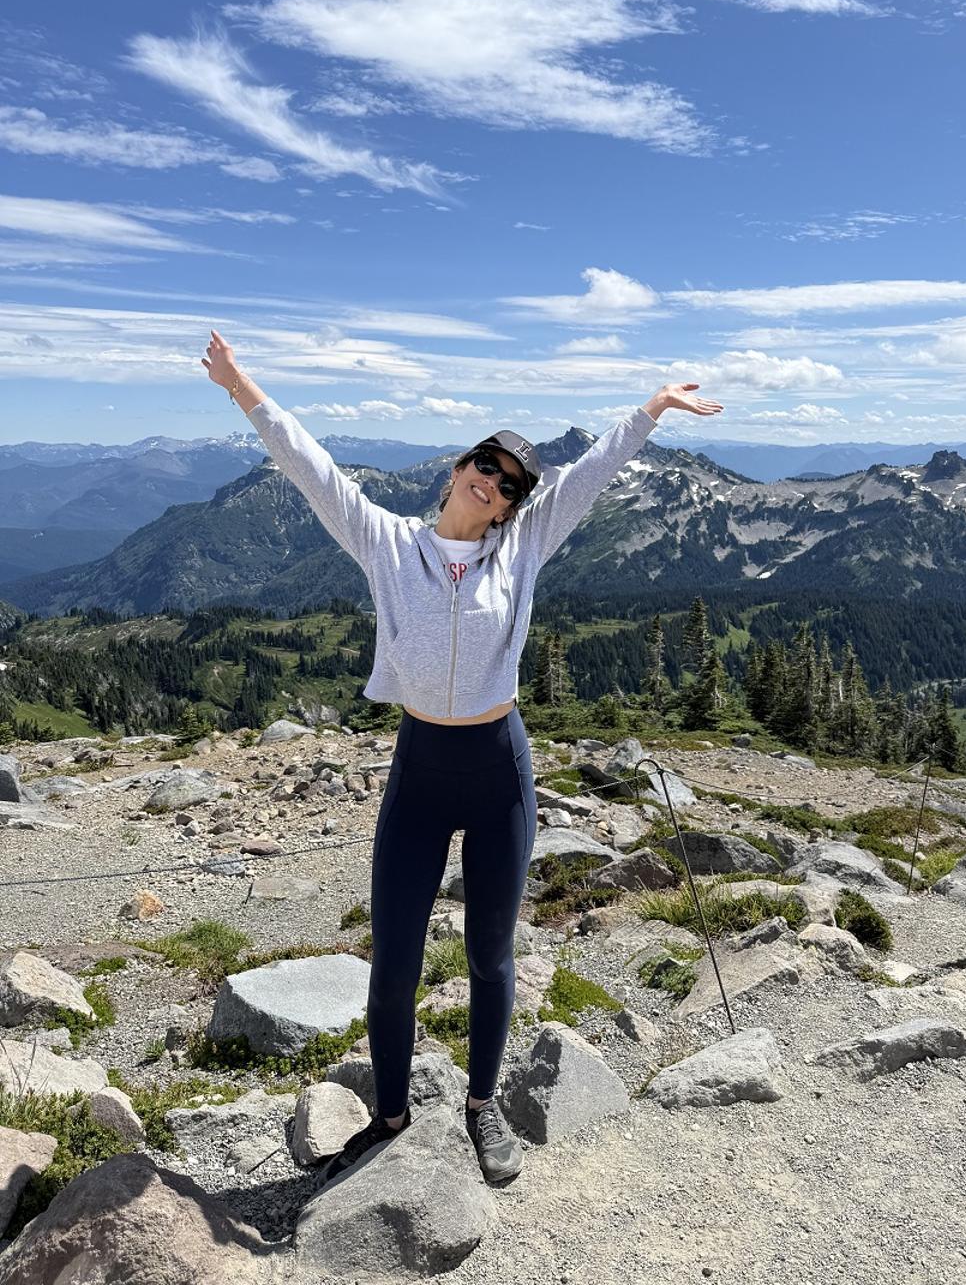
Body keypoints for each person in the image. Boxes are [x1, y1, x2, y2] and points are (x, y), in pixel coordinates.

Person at [201, 329, 722, 1186]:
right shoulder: (384, 541)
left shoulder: (521, 548)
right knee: (396, 958)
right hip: (420, 767)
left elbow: (590, 475)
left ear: (512, 507)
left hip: (497, 769)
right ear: (458, 468)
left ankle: (483, 1110)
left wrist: (651, 410)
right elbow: (311, 466)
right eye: (486, 465)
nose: (493, 482)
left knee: (490, 953)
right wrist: (239, 387)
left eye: (509, 484)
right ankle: (392, 1116)